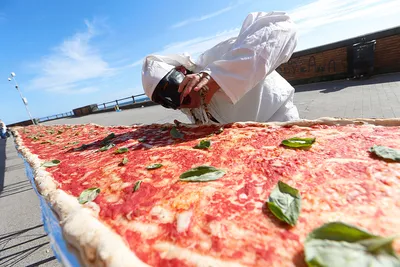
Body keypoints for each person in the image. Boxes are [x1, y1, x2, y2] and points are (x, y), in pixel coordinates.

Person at [141, 11, 300, 125]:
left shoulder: (217, 56)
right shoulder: (186, 104)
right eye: (165, 102)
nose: (177, 105)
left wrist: (218, 77)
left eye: (170, 91)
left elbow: (282, 26)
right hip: (240, 142)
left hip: (278, 121)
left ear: (182, 71)